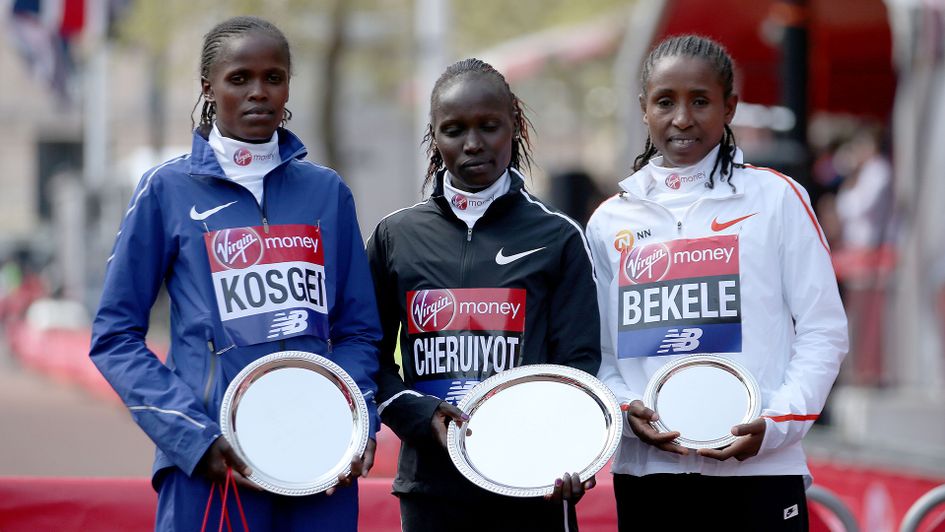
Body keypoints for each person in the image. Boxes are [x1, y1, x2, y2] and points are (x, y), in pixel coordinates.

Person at [89, 16, 381, 532]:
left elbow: (357, 330)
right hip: (212, 466)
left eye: (274, 77)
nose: (258, 93)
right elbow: (115, 337)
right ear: (208, 87)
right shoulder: (166, 190)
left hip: (320, 466)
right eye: (239, 78)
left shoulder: (327, 192)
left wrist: (355, 426)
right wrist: (192, 438)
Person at [585, 35, 848, 531]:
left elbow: (823, 330)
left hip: (762, 470)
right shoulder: (607, 221)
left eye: (700, 101)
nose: (682, 118)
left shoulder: (777, 198)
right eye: (665, 102)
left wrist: (775, 425)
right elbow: (598, 351)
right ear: (644, 109)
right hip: (650, 475)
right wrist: (625, 410)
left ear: (729, 106)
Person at [366, 58, 601, 532]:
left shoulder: (559, 236)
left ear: (513, 126)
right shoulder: (396, 236)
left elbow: (579, 365)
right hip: (431, 491)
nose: (472, 144)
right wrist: (418, 413)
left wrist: (574, 451)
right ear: (434, 136)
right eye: (454, 130)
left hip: (532, 485)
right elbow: (365, 353)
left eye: (488, 126)